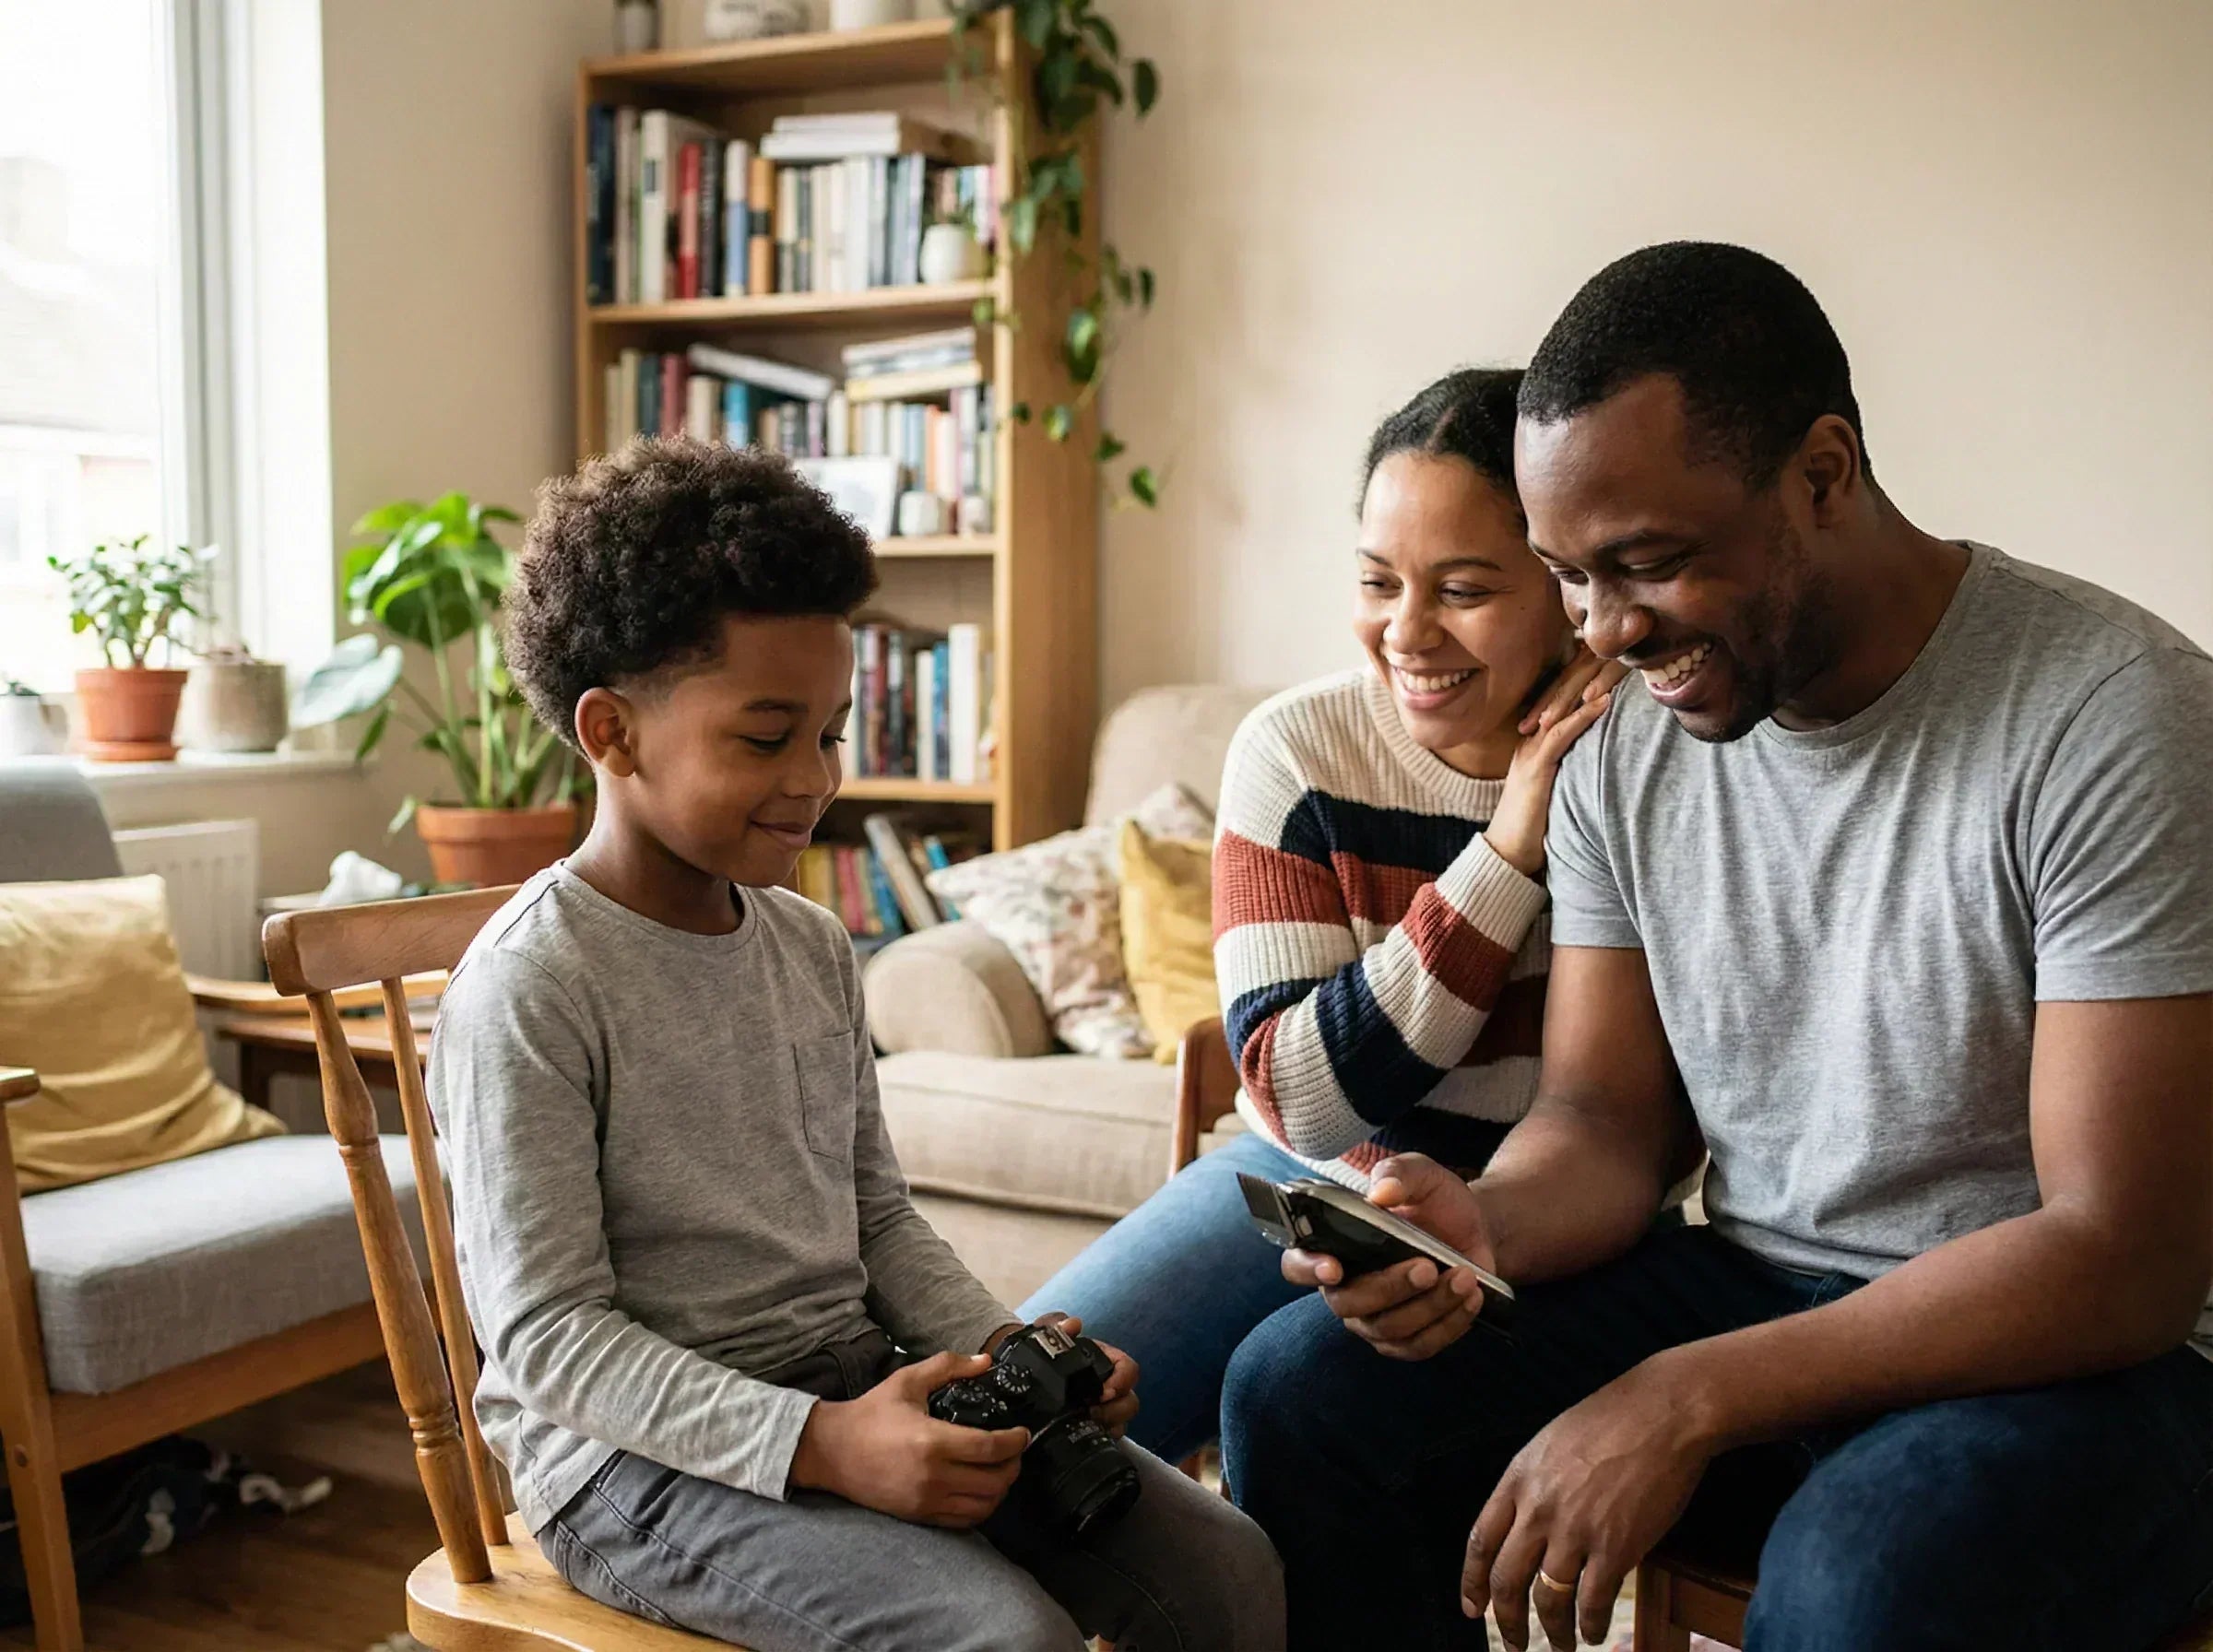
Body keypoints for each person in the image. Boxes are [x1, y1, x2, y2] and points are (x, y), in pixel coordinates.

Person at [1222, 242, 2213, 1652]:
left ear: (1823, 473)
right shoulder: (1628, 735)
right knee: (1305, 1398)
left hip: (2079, 1357)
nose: (1610, 632)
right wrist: (1475, 1227)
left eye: (1651, 565)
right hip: (1754, 1287)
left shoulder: (2112, 718)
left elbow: (2122, 1254)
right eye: (1570, 579)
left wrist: (1687, 1395)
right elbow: (1604, 1129)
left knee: (1862, 1574)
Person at [427, 440, 1283, 1652]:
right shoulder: (533, 986)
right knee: (1003, 1638)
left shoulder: (813, 944)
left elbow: (877, 1219)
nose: (814, 780)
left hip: (840, 1380)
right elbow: (552, 1340)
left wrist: (1006, 1345)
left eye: (829, 733)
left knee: (1225, 1565)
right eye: (765, 737)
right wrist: (825, 1447)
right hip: (626, 1472)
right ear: (611, 732)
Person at [1017, 369, 1621, 1465]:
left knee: (1301, 1408)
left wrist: (1546, 811)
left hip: (1547, 1222)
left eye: (1466, 588)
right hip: (1320, 1186)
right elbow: (1299, 1098)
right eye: (1379, 582)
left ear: (1563, 589)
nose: (1407, 633)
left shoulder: (1640, 757)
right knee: (1026, 1416)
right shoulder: (1298, 752)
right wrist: (1507, 850)